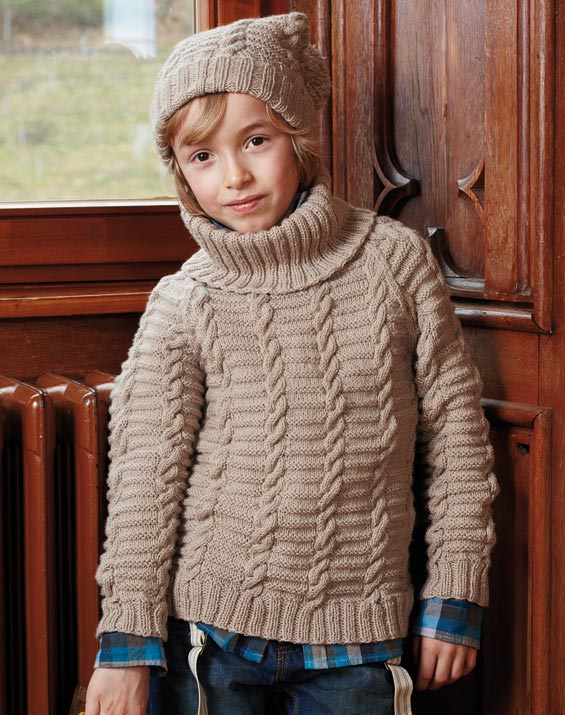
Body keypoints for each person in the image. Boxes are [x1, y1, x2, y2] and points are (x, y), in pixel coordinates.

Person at [85, 12, 498, 715]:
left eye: (256, 140)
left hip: (360, 642)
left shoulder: (395, 262)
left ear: (299, 138)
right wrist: (126, 644)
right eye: (202, 156)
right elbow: (143, 483)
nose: (235, 176)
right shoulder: (183, 300)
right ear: (180, 171)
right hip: (209, 642)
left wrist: (456, 595)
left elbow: (457, 437)